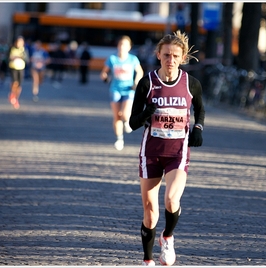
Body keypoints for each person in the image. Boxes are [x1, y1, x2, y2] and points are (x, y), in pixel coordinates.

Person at [129, 30, 205, 266]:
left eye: (175, 55)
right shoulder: (147, 83)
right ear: (158, 55)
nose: (170, 60)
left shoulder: (191, 83)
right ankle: (148, 261)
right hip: (150, 153)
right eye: (166, 55)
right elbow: (132, 123)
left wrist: (198, 128)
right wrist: (146, 114)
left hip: (177, 153)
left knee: (172, 200)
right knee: (150, 213)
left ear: (182, 57)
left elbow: (200, 109)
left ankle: (168, 237)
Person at [100, 36, 144, 150]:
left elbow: (139, 71)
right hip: (115, 89)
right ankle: (119, 139)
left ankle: (127, 122)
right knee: (116, 116)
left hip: (128, 89)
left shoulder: (133, 59)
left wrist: (136, 82)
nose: (122, 47)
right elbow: (104, 72)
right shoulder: (112, 59)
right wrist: (104, 77)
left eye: (124, 45)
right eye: (120, 44)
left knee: (124, 114)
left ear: (129, 47)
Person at [8, 36, 28, 109]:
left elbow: (26, 58)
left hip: (21, 68)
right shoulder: (12, 48)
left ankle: (16, 98)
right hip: (13, 67)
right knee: (14, 82)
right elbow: (9, 57)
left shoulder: (24, 50)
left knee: (19, 85)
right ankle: (12, 94)